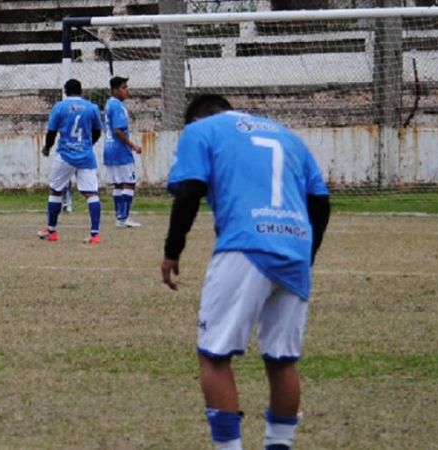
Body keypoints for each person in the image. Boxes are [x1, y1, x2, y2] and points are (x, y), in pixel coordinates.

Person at [160, 95, 331, 450]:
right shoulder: (288, 135)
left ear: (194, 121)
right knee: (282, 360)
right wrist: (306, 254)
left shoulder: (200, 131)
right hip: (294, 251)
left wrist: (172, 251)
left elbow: (190, 191)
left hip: (243, 246)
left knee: (214, 356)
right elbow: (320, 201)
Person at [37, 78, 103, 244]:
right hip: (86, 156)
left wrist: (47, 147)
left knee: (55, 190)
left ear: (65, 92)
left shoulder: (59, 107)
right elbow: (97, 131)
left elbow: (52, 132)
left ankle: (52, 231)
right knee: (91, 193)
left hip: (65, 155)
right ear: (81, 91)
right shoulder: (92, 107)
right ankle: (95, 234)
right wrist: (88, 144)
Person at [103, 76, 143, 228]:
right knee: (129, 183)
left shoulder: (108, 104)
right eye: (123, 88)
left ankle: (119, 217)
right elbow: (118, 130)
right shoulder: (118, 106)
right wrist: (133, 146)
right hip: (120, 150)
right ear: (114, 90)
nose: (127, 90)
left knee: (118, 184)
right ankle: (124, 218)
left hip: (108, 148)